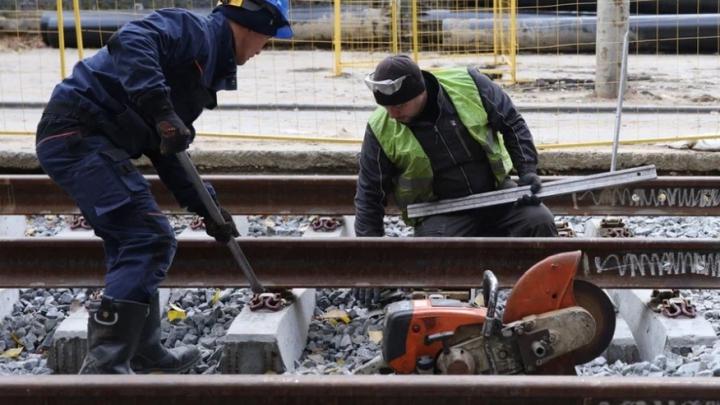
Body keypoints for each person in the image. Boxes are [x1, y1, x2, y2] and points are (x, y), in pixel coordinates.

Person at [35, 0, 292, 374]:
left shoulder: (202, 65)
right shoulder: (196, 32)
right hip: (77, 134)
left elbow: (168, 150)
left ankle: (144, 352)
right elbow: (132, 40)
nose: (260, 51)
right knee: (148, 238)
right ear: (253, 25)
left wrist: (208, 208)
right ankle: (105, 371)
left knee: (133, 239)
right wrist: (160, 108)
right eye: (266, 40)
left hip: (85, 139)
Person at [355, 55, 557, 239]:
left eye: (399, 106)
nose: (393, 114)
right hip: (440, 211)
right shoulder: (380, 128)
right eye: (387, 107)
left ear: (421, 91)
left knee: (539, 221)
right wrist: (370, 249)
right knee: (435, 252)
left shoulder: (469, 85)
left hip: (496, 194)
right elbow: (370, 191)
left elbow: (512, 124)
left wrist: (527, 171)